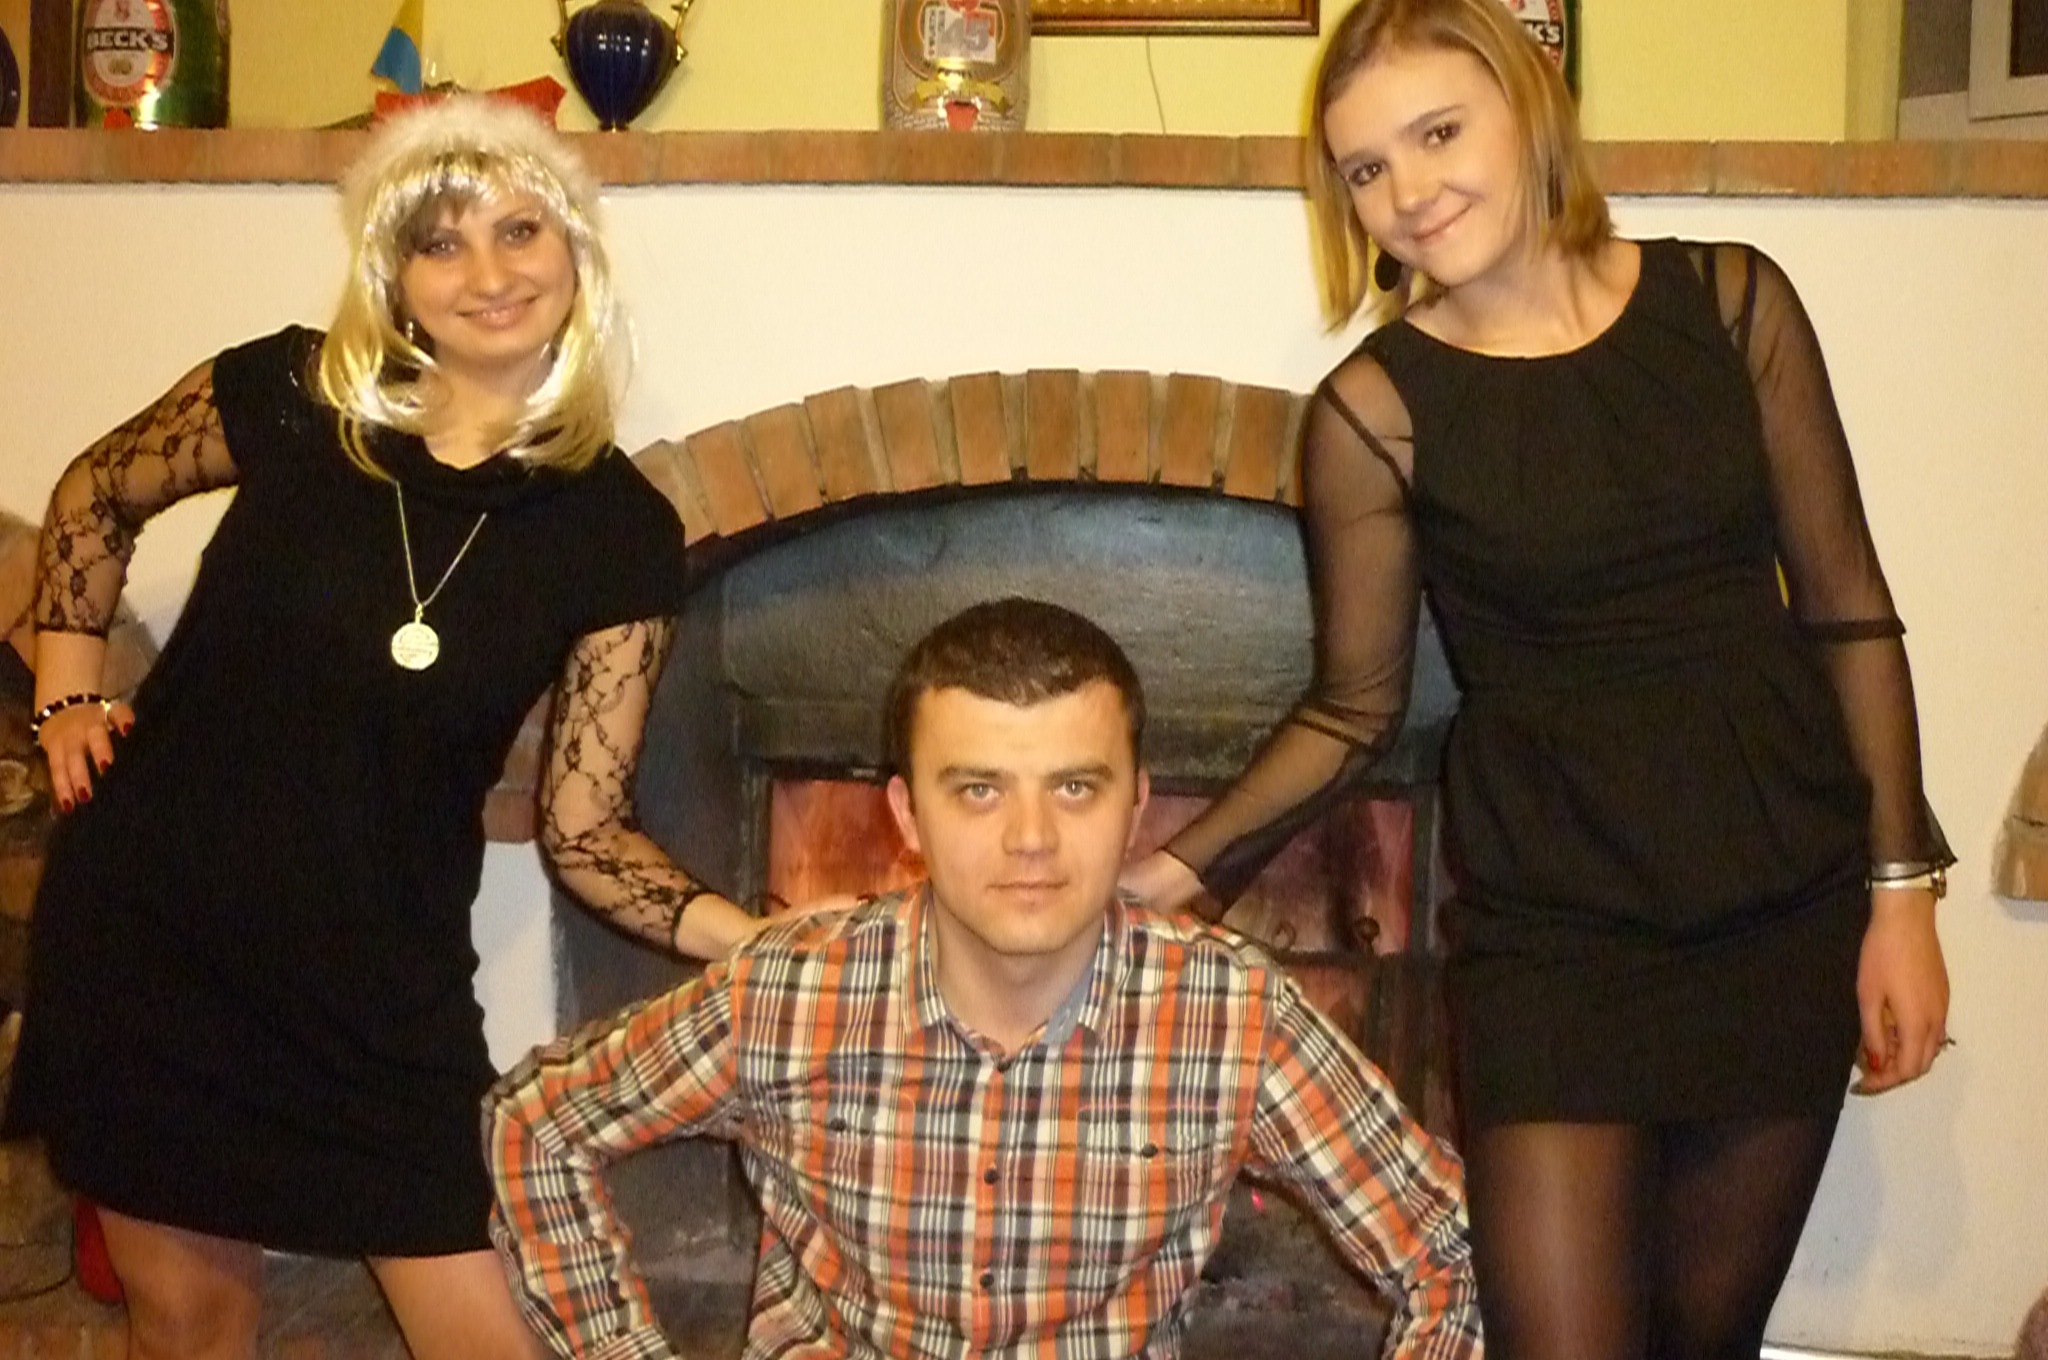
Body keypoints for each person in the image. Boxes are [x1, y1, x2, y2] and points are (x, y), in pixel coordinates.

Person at [1118, 3, 1953, 1357]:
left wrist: (1900, 894)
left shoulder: (1730, 303)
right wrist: (1173, 868)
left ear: (1529, 107)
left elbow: (1846, 607)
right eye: (1367, 168)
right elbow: (1352, 710)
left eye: (1437, 133)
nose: (1408, 190)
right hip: (1553, 934)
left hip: (1777, 906)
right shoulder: (1375, 411)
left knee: (1700, 1337)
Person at [7, 97, 774, 1359]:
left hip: (378, 992)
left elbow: (585, 830)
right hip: (157, 934)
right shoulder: (293, 393)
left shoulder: (616, 529)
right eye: (440, 243)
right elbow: (97, 489)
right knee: (190, 1321)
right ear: (396, 277)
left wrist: (757, 942)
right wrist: (66, 692)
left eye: (519, 230)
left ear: (573, 251)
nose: (488, 274)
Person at [487, 597, 1483, 1359]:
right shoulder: (790, 995)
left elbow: (1451, 1251)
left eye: (1074, 787)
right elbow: (537, 1123)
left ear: (1135, 809)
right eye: (977, 790)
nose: (1029, 839)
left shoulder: (1229, 1017)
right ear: (907, 816)